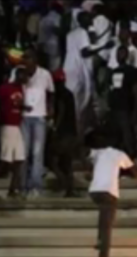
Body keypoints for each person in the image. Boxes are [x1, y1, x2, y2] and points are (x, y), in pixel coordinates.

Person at [88, 133, 137, 257]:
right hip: (109, 192)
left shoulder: (98, 153)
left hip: (94, 191)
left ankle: (99, 240)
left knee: (103, 219)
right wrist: (125, 173)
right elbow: (134, 171)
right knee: (107, 229)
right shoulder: (120, 154)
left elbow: (87, 156)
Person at [64, 11, 113, 135]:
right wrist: (104, 46)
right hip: (77, 72)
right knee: (79, 105)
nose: (91, 21)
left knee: (79, 104)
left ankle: (85, 130)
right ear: (82, 21)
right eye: (88, 19)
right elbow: (85, 52)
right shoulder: (82, 32)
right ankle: (78, 133)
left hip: (69, 70)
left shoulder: (71, 33)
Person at [0, 67, 28, 199]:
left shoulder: (21, 89)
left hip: (16, 125)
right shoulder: (5, 88)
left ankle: (12, 189)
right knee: (5, 160)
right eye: (23, 75)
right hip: (7, 126)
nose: (25, 78)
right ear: (17, 75)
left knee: (19, 159)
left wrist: (23, 107)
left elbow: (17, 104)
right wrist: (1, 112)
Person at [20, 49, 55, 197]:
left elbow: (51, 92)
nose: (26, 62)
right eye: (25, 59)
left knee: (37, 152)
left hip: (40, 116)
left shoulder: (45, 74)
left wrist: (51, 108)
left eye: (29, 59)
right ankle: (23, 186)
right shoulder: (19, 73)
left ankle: (36, 185)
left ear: (35, 60)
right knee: (24, 152)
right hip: (23, 117)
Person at [49, 69, 79, 197]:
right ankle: (69, 189)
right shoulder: (69, 94)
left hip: (63, 133)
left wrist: (55, 128)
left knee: (52, 159)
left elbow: (61, 110)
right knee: (67, 162)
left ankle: (63, 183)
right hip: (71, 132)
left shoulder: (60, 94)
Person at [108, 45, 137, 158]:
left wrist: (135, 110)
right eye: (118, 53)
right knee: (116, 138)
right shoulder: (113, 72)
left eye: (122, 53)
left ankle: (132, 161)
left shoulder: (131, 71)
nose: (120, 56)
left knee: (128, 137)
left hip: (125, 108)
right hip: (114, 109)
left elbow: (136, 91)